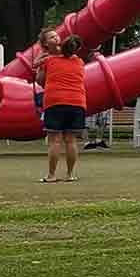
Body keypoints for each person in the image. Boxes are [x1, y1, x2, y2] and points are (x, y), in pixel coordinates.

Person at [36, 33, 88, 182]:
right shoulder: (79, 61)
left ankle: (51, 175)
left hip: (55, 101)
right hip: (77, 101)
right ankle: (70, 174)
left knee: (55, 141)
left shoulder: (49, 60)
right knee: (71, 140)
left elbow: (40, 80)